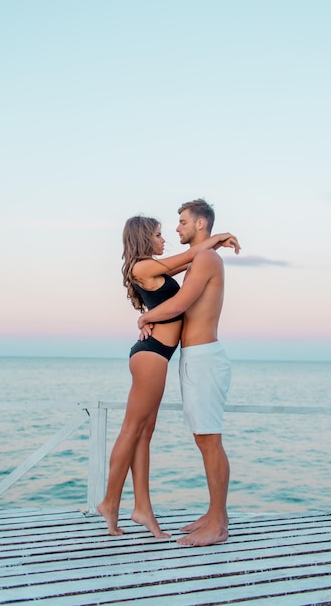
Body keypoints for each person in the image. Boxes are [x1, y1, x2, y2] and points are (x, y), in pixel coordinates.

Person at [97, 214, 239, 538]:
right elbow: (189, 258)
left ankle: (142, 509)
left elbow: (185, 264)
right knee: (132, 430)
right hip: (151, 356)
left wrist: (212, 243)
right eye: (159, 235)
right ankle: (109, 502)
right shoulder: (141, 266)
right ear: (145, 237)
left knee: (144, 434)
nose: (165, 240)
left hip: (158, 356)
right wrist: (220, 237)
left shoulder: (151, 266)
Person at [138, 199, 238, 546]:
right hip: (197, 358)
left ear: (199, 225)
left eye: (182, 222)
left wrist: (144, 318)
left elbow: (180, 304)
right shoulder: (201, 258)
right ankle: (214, 515)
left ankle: (218, 525)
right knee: (204, 439)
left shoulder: (207, 259)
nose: (176, 228)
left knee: (209, 441)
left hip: (204, 358)